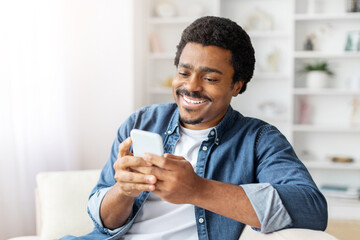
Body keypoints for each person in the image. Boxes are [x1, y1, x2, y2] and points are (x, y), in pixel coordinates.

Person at [61, 16, 327, 240]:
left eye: (210, 78)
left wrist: (198, 190)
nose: (191, 86)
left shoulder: (258, 140)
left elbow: (312, 209)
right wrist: (123, 191)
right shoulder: (141, 122)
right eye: (184, 73)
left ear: (237, 85)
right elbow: (102, 222)